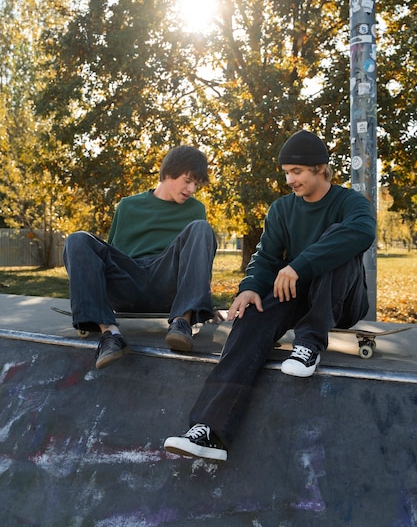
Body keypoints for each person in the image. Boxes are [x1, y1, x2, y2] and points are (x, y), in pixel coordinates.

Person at [164, 130, 376, 461]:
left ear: (320, 168)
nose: (290, 179)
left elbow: (363, 232)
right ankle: (210, 431)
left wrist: (299, 265)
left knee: (339, 239)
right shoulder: (281, 210)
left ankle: (309, 343)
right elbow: (265, 257)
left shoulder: (349, 202)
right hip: (297, 296)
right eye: (287, 172)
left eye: (297, 172)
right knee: (251, 318)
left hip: (343, 300)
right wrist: (249, 288)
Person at [63, 145, 217, 370]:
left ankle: (181, 323)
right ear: (167, 174)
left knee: (202, 228)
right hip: (129, 278)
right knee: (77, 239)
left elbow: (197, 257)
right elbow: (110, 253)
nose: (192, 188)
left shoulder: (196, 210)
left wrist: (204, 300)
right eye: (187, 180)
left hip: (167, 280)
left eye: (196, 184)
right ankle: (110, 335)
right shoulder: (128, 206)